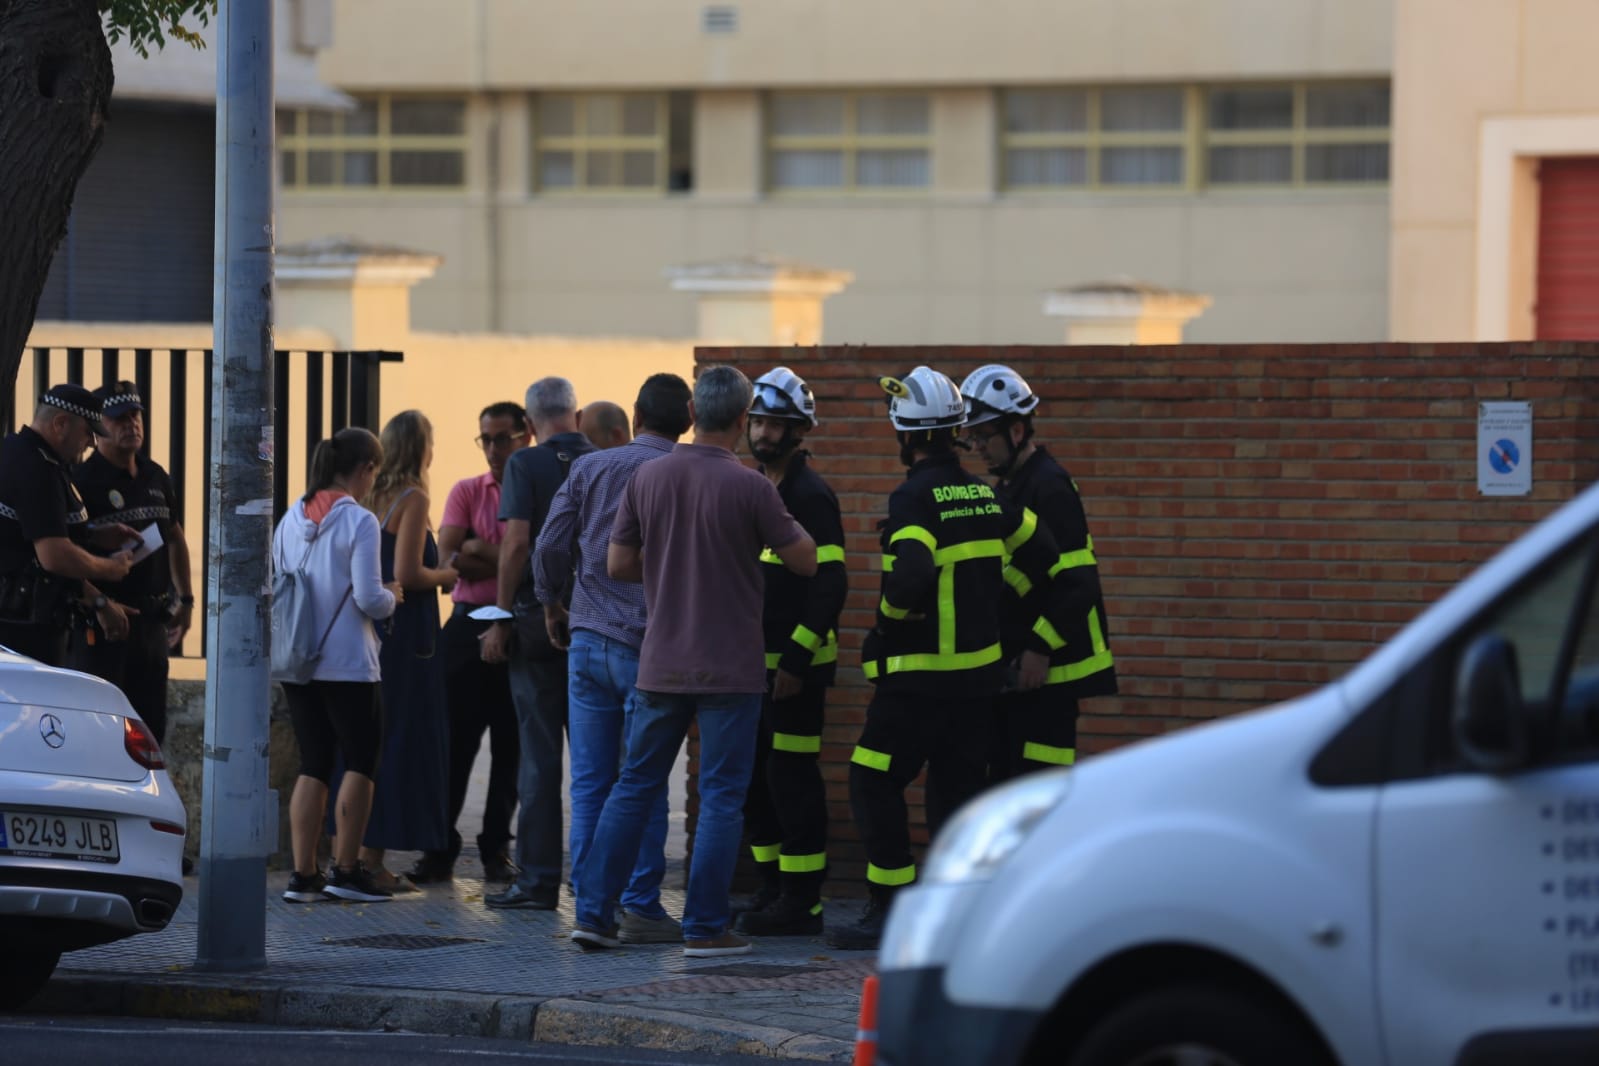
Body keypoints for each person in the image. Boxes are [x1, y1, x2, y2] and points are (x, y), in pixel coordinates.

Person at [570, 365, 816, 959]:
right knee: (722, 796)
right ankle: (705, 929)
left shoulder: (649, 478)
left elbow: (619, 564)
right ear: (740, 420)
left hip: (660, 660)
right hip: (731, 666)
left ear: (693, 417)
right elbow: (806, 561)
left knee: (633, 785)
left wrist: (671, 561)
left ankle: (594, 915)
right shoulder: (753, 487)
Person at [825, 367, 1074, 951]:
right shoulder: (984, 494)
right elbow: (1046, 557)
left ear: (907, 438)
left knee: (871, 780)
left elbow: (910, 577)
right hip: (978, 688)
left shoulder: (912, 496)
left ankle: (890, 910)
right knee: (954, 800)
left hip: (917, 684)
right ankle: (949, 915)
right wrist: (995, 587)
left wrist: (886, 626)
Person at [531, 373, 692, 940]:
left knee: (592, 782)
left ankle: (589, 902)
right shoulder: (683, 474)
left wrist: (553, 602)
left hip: (587, 641)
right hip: (648, 646)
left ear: (637, 416)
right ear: (689, 419)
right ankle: (640, 902)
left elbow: (550, 543)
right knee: (642, 781)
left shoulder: (590, 467)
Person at [959, 365, 1117, 784]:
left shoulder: (1050, 487)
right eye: (971, 437)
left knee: (1040, 785)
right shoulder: (1012, 486)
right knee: (1008, 781)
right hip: (1021, 671)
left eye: (983, 436)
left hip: (1050, 670)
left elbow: (1078, 581)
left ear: (1016, 430)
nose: (976, 447)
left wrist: (1039, 647)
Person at [733, 368, 847, 937]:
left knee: (792, 779)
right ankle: (774, 887)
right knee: (756, 780)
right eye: (758, 420)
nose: (765, 432)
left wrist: (798, 662)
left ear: (798, 431)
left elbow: (830, 586)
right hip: (753, 670)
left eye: (777, 423)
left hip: (794, 673)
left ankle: (803, 901)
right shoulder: (758, 488)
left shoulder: (809, 495)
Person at [329, 410, 458, 892]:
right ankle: (371, 859)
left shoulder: (365, 498)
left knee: (361, 743)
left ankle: (346, 853)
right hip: (409, 638)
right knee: (399, 742)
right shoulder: (413, 499)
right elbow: (408, 573)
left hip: (369, 633)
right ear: (420, 448)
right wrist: (449, 573)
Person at [479, 378, 595, 909]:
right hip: (598, 624)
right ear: (576, 413)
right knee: (598, 763)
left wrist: (500, 616)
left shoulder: (525, 466)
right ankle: (596, 884)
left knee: (540, 759)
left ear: (529, 425)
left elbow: (518, 542)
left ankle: (538, 881)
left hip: (534, 624)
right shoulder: (605, 460)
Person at [275, 427, 402, 904]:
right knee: (362, 758)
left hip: (298, 659)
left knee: (314, 761)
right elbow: (369, 598)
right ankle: (346, 870)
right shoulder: (359, 521)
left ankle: (303, 875)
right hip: (348, 662)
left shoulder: (289, 517)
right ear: (367, 469)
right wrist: (394, 597)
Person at [411, 402, 528, 885]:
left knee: (511, 746)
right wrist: (503, 560)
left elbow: (536, 560)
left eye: (504, 439)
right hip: (464, 627)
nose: (495, 450)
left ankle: (495, 849)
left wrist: (484, 551)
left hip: (517, 627)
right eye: (487, 440)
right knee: (453, 744)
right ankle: (438, 847)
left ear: (526, 437)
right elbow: (452, 557)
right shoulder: (466, 490)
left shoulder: (536, 488)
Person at [67, 382, 195, 744]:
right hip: (106, 624)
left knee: (149, 729)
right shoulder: (83, 482)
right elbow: (67, 558)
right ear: (99, 427)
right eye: (119, 419)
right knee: (101, 729)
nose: (131, 425)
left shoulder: (156, 476)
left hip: (152, 624)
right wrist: (100, 603)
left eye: (135, 416)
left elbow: (175, 538)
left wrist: (186, 601)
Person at [0, 385, 136, 667]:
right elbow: (54, 556)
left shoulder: (22, 452)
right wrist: (109, 569)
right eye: (88, 432)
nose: (89, 443)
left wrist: (92, 536)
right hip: (23, 631)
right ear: (61, 423)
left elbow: (30, 535)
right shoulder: (36, 467)